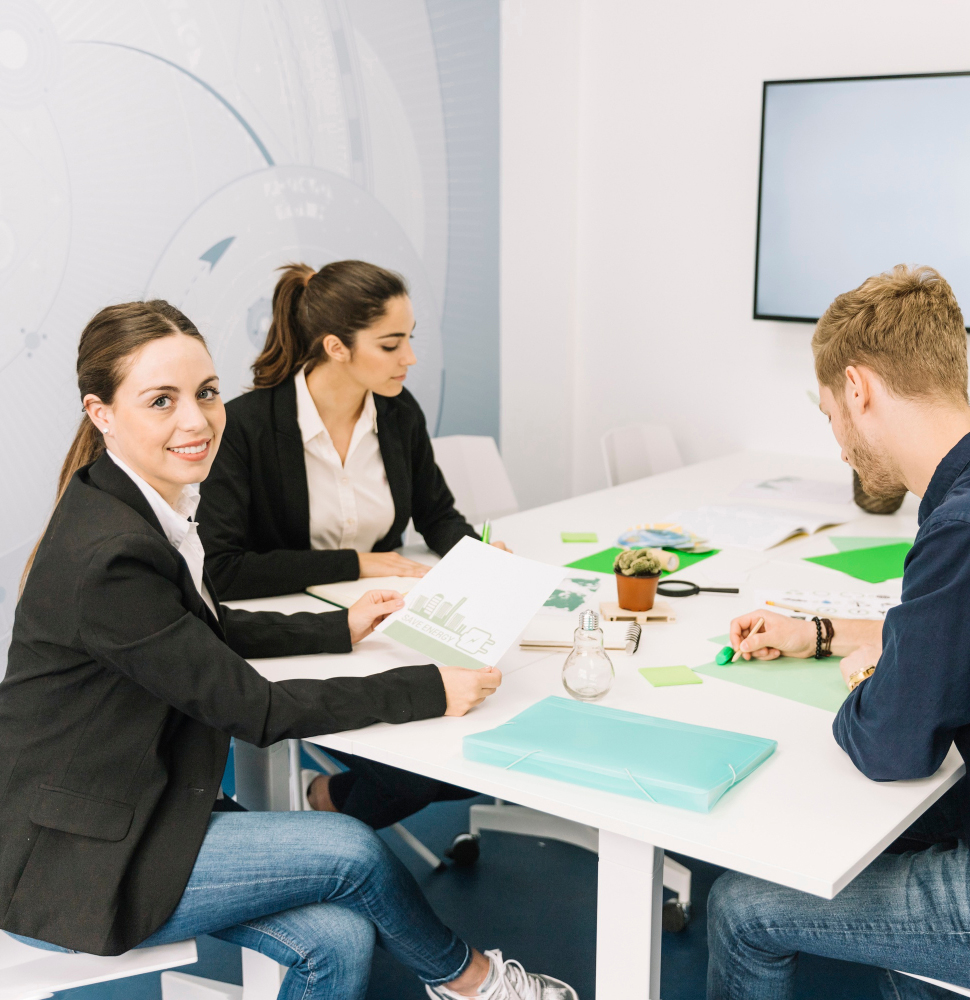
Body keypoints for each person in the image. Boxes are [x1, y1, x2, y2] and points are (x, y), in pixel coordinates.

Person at [0, 300, 577, 1000]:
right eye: (161, 401)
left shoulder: (131, 504)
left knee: (337, 938)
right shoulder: (112, 554)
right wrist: (426, 687)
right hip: (74, 860)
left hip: (143, 802)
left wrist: (337, 628)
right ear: (102, 414)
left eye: (206, 393)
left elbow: (197, 631)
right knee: (350, 848)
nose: (196, 420)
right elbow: (254, 709)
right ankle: (473, 983)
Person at [706, 265, 970, 1000]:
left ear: (857, 389)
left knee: (742, 908)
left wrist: (871, 679)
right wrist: (820, 632)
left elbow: (890, 745)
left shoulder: (958, 527)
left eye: (829, 417)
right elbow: (948, 626)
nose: (840, 449)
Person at [197, 260, 503, 825]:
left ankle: (325, 799)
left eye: (410, 339)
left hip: (389, 626)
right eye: (391, 344)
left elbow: (437, 514)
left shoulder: (399, 412)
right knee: (418, 775)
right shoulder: (247, 426)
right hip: (295, 633)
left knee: (475, 744)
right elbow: (223, 568)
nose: (409, 358)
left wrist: (478, 555)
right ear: (336, 347)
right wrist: (354, 563)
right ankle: (323, 817)